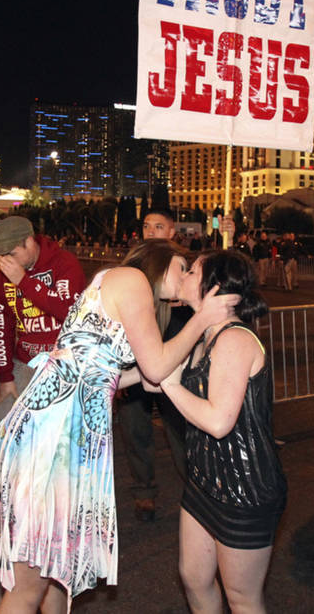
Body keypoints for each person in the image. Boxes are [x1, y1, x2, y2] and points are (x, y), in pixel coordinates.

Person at [0, 240, 240, 611]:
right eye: (181, 266)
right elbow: (154, 366)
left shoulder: (121, 284)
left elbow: (102, 373)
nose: (186, 276)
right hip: (58, 431)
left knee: (58, 568)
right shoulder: (132, 279)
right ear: (159, 260)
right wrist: (200, 321)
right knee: (29, 583)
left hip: (65, 428)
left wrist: (150, 373)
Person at [156, 250, 287, 613]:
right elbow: (157, 373)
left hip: (245, 490)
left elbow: (218, 421)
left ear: (212, 287)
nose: (182, 274)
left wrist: (170, 386)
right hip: (205, 482)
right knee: (195, 579)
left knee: (242, 597)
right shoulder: (201, 336)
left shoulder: (234, 339)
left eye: (191, 270)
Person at [0, 215, 85, 541]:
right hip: (25, 366)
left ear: (28, 242)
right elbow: (1, 325)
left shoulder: (64, 264)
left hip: (62, 368)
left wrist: (24, 280)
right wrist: (5, 377)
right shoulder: (3, 275)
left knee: (54, 446)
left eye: (11, 252)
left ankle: (57, 516)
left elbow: (69, 311)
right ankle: (3, 506)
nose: (3, 261)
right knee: (1, 427)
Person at [118, 208, 189, 521]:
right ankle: (144, 492)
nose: (151, 232)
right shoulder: (134, 270)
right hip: (135, 365)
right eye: (146, 226)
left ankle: (197, 494)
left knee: (181, 432)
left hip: (172, 364)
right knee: (135, 430)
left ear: (172, 231)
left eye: (159, 226)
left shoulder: (181, 267)